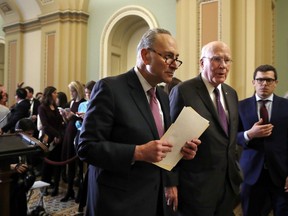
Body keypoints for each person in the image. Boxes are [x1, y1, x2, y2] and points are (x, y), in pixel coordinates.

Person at [76, 28, 201, 216]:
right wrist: (138, 152)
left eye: (177, 58)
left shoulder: (162, 96)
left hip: (154, 200)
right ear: (145, 55)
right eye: (168, 57)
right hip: (118, 203)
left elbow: (160, 147)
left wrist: (180, 151)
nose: (175, 65)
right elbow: (86, 147)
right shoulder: (110, 88)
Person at [169, 41, 243, 216]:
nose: (223, 65)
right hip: (196, 188)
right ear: (202, 63)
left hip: (227, 186)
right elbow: (170, 140)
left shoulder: (231, 93)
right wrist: (170, 183)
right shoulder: (183, 91)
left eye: (227, 60)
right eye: (217, 59)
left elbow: (229, 138)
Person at [237, 64, 288, 216]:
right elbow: (232, 137)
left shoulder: (286, 106)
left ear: (276, 83)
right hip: (251, 175)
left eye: (268, 80)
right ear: (253, 82)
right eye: (260, 80)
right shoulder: (240, 106)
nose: (264, 84)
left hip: (281, 176)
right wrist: (249, 134)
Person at [59, 81, 86, 202]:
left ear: (78, 90)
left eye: (73, 91)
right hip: (69, 133)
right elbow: (67, 121)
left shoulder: (84, 103)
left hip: (77, 133)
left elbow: (82, 120)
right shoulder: (71, 103)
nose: (71, 93)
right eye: (70, 91)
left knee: (79, 165)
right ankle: (69, 190)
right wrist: (64, 115)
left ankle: (80, 191)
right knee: (69, 164)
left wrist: (73, 116)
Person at [38, 86, 65, 196]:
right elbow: (45, 125)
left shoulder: (55, 106)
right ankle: (44, 186)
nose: (56, 94)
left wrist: (59, 135)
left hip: (57, 139)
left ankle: (56, 186)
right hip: (47, 138)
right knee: (47, 163)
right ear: (49, 94)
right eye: (54, 92)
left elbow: (60, 122)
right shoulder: (42, 107)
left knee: (57, 162)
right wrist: (56, 134)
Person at [74, 80, 96, 211]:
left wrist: (86, 117)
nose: (87, 95)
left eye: (89, 93)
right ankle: (80, 193)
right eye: (86, 93)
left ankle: (85, 196)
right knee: (79, 167)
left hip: (92, 137)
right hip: (80, 135)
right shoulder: (82, 104)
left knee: (88, 171)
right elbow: (77, 125)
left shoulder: (98, 104)